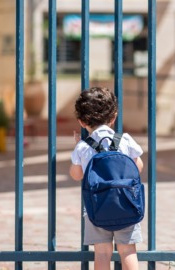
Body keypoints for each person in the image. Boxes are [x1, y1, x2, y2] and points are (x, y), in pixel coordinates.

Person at [70, 86, 144, 270]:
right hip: (126, 205)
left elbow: (77, 175)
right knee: (128, 251)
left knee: (102, 253)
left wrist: (77, 153)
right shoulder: (125, 140)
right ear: (113, 118)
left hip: (96, 208)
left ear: (81, 121)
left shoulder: (83, 147)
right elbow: (138, 167)